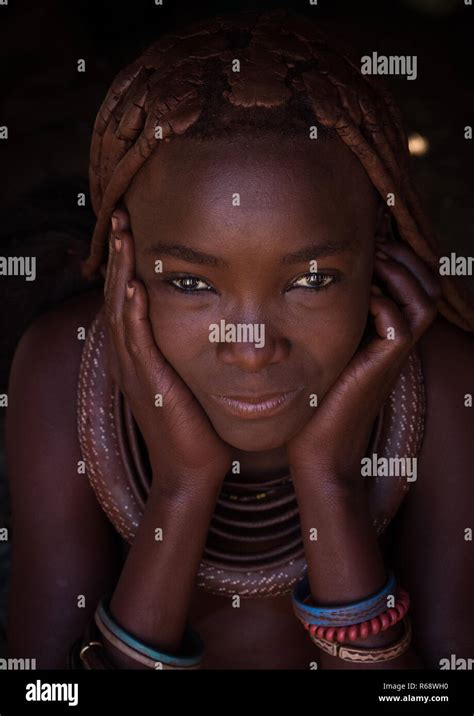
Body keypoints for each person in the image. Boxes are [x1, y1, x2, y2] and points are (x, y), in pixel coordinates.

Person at [5, 9, 474, 670]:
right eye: (192, 284)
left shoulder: (442, 382)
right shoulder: (67, 372)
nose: (252, 348)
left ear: (381, 253)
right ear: (123, 263)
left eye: (312, 279)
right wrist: (182, 489)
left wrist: (330, 482)